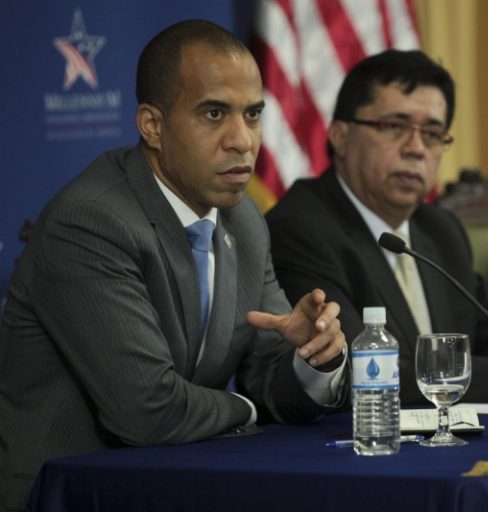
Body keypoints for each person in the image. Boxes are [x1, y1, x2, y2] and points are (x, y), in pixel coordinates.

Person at [0, 20, 347, 511]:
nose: (242, 140)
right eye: (214, 113)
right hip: (69, 495)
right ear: (153, 126)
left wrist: (312, 361)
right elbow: (147, 411)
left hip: (175, 486)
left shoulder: (243, 219)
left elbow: (269, 374)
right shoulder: (91, 222)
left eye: (252, 114)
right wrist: (247, 408)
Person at [266, 49, 488, 405]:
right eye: (394, 127)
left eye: (433, 133)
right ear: (340, 136)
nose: (416, 149)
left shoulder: (439, 229)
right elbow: (361, 370)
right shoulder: (301, 229)